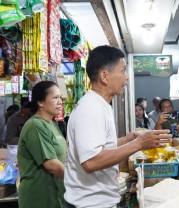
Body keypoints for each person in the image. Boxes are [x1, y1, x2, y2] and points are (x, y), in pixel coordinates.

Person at [64, 45, 171, 208]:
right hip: (89, 204)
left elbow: (100, 148)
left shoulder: (101, 105)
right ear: (104, 76)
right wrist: (138, 144)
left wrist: (128, 139)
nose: (126, 78)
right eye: (122, 71)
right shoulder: (91, 108)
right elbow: (91, 162)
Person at [17, 81, 66, 208]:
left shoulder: (52, 124)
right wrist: (80, 179)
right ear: (40, 102)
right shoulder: (35, 125)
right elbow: (51, 165)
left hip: (55, 195)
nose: (60, 102)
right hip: (38, 198)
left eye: (60, 97)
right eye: (55, 98)